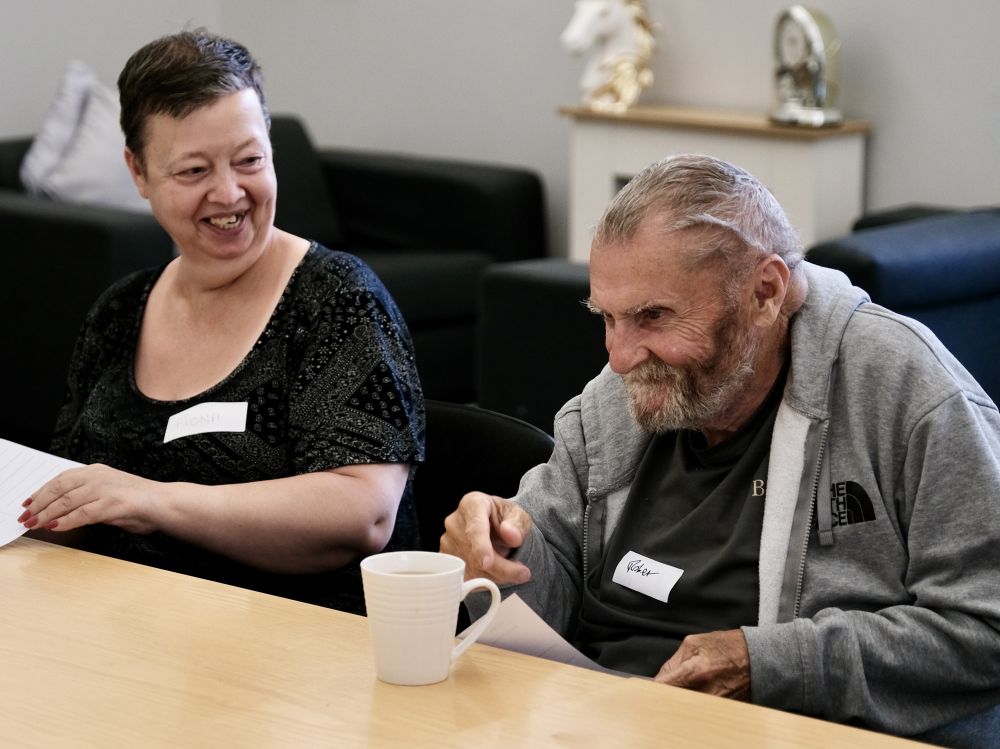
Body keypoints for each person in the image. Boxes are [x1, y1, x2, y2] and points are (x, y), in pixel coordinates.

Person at [441, 154, 1000, 743]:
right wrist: (501, 554)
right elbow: (544, 604)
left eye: (653, 317)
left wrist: (771, 665)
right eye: (606, 318)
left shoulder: (905, 393)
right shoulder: (614, 403)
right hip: (596, 722)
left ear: (765, 293)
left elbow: (986, 624)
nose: (620, 356)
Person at [16, 29, 424, 614]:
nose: (230, 194)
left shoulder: (336, 299)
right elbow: (75, 502)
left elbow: (363, 515)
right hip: (122, 634)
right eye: (193, 172)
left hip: (302, 656)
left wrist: (153, 501)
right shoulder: (118, 311)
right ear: (138, 172)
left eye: (249, 160)